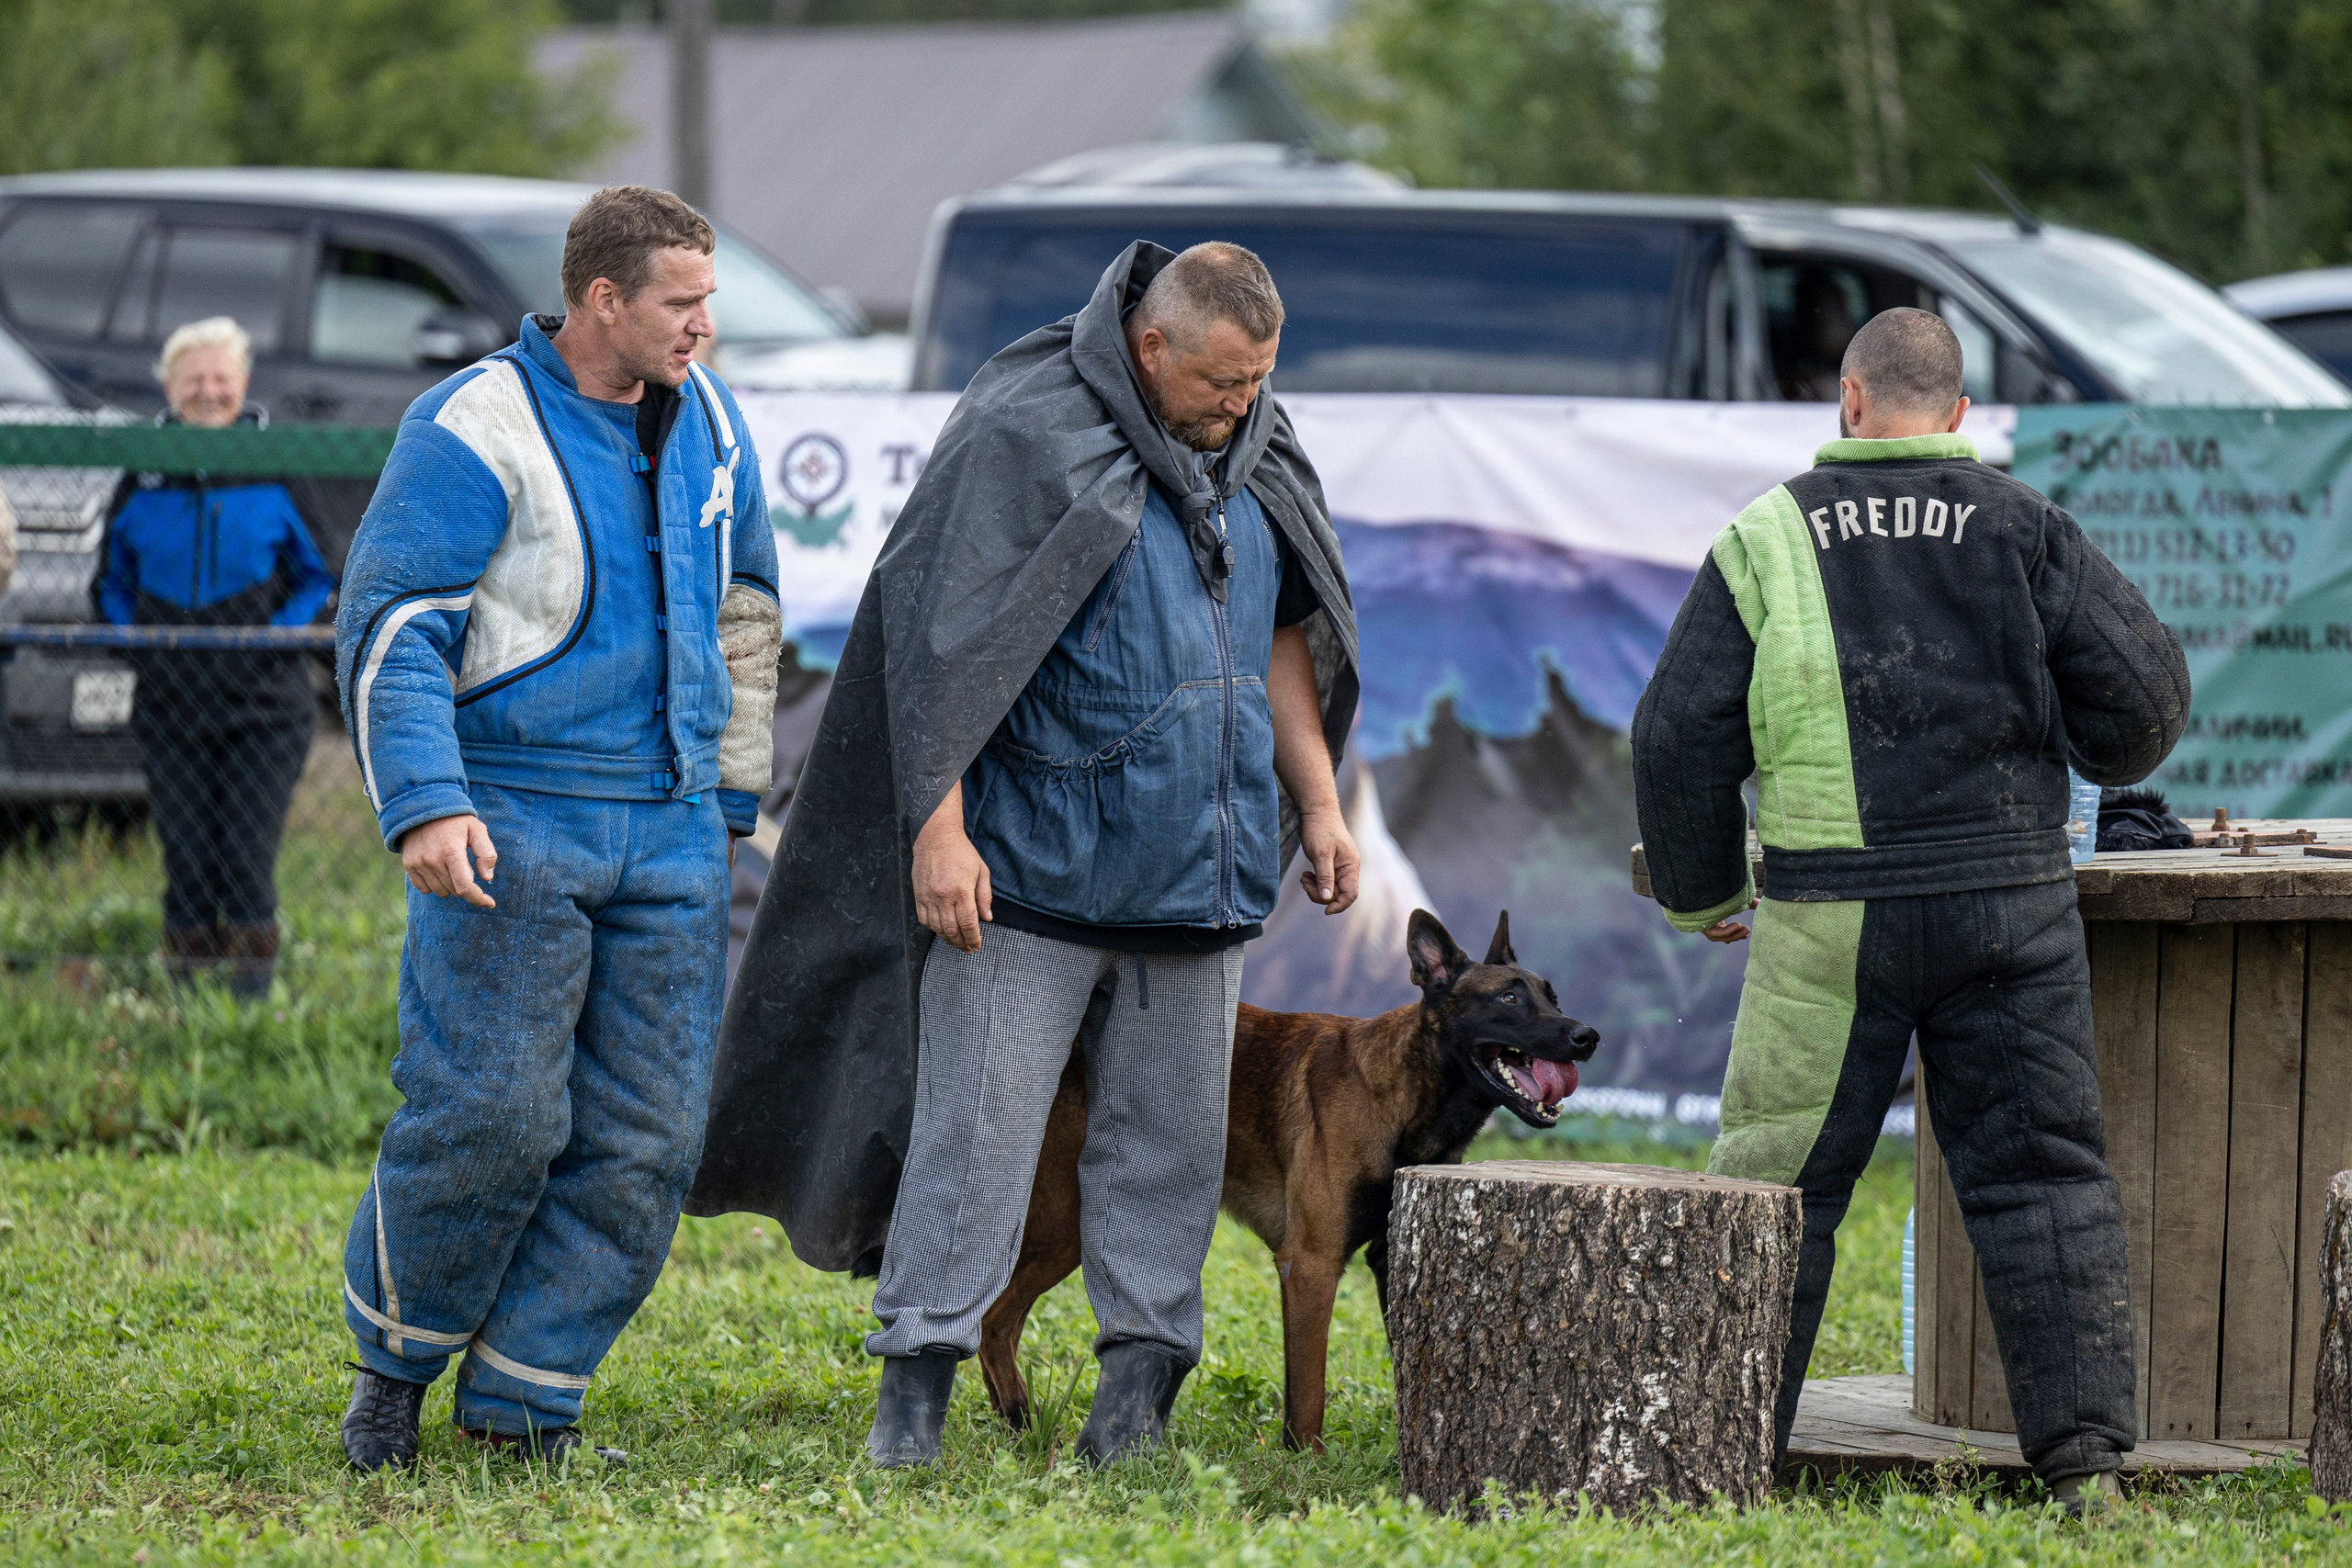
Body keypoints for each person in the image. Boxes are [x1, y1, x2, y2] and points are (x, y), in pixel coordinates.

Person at [691, 241, 1362, 1469]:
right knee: (975, 1143)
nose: (1241, 406)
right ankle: (914, 1411)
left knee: (1168, 1155)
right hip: (1029, 880)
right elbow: (940, 640)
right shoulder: (1026, 425)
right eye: (1221, 381)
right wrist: (936, 831)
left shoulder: (1255, 452)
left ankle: (1133, 1415)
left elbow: (1280, 636)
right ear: (1150, 346)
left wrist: (1314, 801)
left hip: (1196, 879)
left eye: (1260, 380)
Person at [1631, 308, 2189, 1514]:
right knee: (2042, 1177)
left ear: (1849, 400)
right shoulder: (2024, 527)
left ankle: (1723, 1467)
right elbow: (2146, 704)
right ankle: (2088, 1471)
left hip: (1830, 920)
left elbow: (1676, 734)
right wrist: (2088, 751)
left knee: (1776, 1188)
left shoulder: (1767, 534)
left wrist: (1705, 892)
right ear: (1956, 415)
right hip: (2010, 908)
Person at [331, 186, 781, 1471]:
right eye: (682, 303)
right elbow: (392, 627)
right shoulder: (471, 424)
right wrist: (426, 799)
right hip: (508, 821)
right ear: (604, 299)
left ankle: (528, 1401)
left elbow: (748, 615)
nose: (705, 326)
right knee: (493, 1116)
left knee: (646, 1140)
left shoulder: (718, 423)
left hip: (673, 831)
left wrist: (728, 800)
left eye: (708, 301)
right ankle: (393, 1371)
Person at [97, 317, 334, 997]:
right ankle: (187, 999)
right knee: (189, 860)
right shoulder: (142, 472)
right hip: (170, 704)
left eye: (220, 379)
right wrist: (139, 643)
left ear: (244, 386)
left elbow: (319, 575)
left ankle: (249, 1004)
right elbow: (108, 584)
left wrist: (273, 635)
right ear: (169, 388)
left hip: (265, 705)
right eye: (193, 380)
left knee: (244, 858)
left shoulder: (275, 464)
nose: (208, 392)